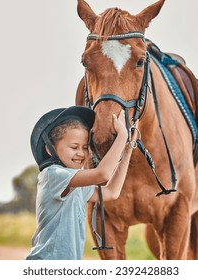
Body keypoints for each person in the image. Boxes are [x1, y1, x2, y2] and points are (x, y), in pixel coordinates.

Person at [26, 105, 136, 260]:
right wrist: (122, 136)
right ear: (50, 149)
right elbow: (103, 174)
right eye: (74, 147)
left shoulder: (76, 186)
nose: (81, 153)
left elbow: (112, 192)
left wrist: (128, 148)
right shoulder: (53, 175)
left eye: (85, 148)